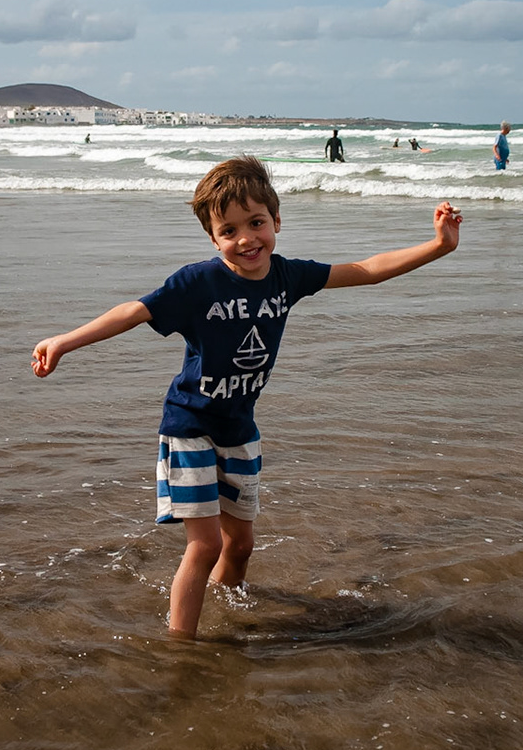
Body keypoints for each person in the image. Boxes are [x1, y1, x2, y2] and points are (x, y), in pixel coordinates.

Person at [31, 156, 461, 639]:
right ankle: (182, 645)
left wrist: (439, 245)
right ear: (213, 239)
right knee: (206, 544)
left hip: (239, 431)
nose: (246, 239)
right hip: (189, 426)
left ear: (276, 221)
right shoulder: (198, 282)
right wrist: (64, 341)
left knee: (241, 546)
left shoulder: (287, 277)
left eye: (256, 223)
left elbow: (366, 269)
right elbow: (134, 311)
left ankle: (223, 608)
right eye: (229, 230)